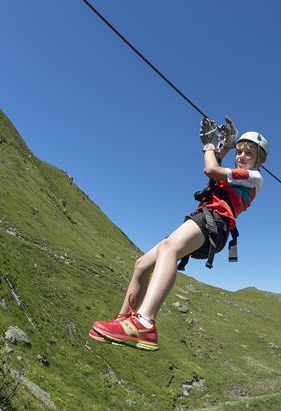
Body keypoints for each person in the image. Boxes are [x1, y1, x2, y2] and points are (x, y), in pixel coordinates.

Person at [89, 118, 268, 351]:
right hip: (206, 219)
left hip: (215, 222)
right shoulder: (236, 173)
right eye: (240, 152)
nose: (241, 156)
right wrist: (224, 145)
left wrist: (209, 145)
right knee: (142, 264)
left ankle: (144, 321)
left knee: (168, 249)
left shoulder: (255, 177)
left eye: (248, 154)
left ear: (259, 160)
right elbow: (218, 165)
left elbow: (211, 169)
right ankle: (123, 320)